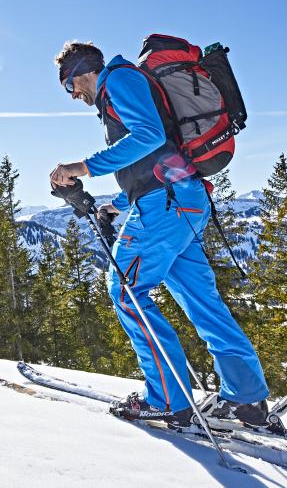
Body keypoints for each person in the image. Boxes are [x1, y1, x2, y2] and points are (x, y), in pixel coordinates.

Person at [50, 40, 270, 427]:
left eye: (70, 87)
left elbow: (148, 137)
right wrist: (118, 203)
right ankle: (246, 399)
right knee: (202, 302)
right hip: (181, 201)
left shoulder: (118, 80)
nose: (73, 96)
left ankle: (168, 398)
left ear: (81, 72)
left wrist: (83, 167)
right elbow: (160, 156)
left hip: (166, 206)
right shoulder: (124, 86)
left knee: (125, 291)